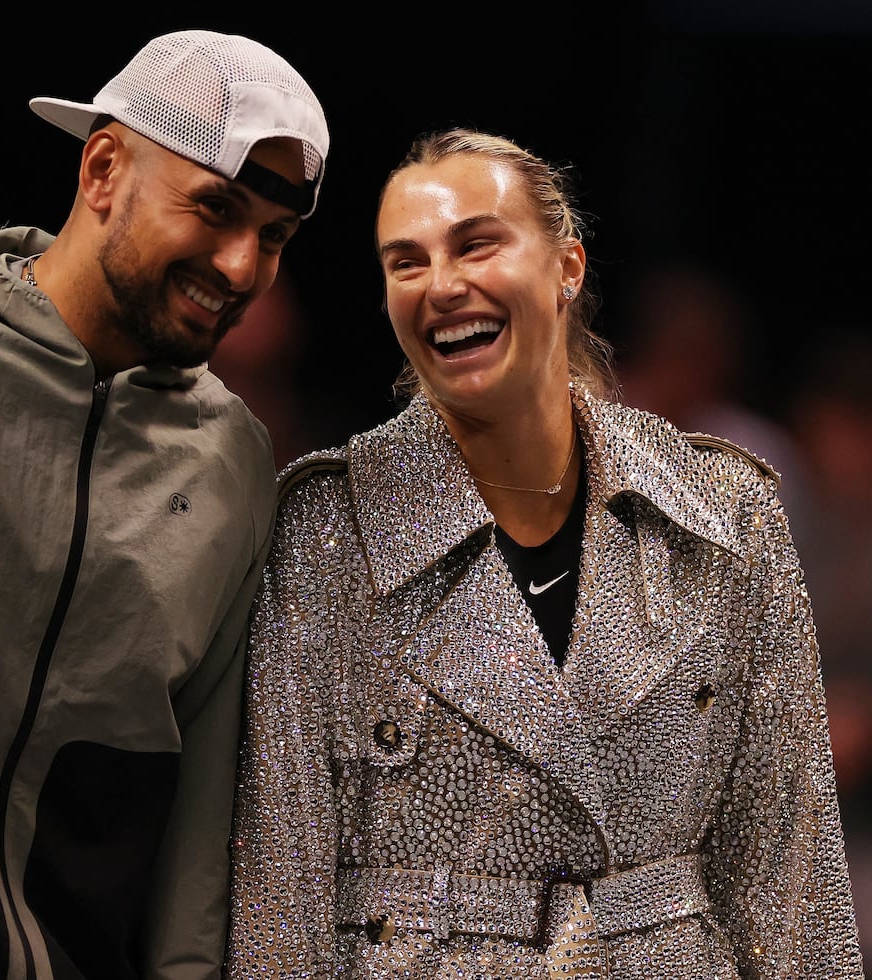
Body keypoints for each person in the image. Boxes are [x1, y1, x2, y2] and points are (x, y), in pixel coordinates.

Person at [223, 128, 864, 977]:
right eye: (405, 262)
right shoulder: (327, 527)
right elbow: (280, 886)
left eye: (476, 244)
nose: (442, 285)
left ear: (568, 268)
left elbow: (791, 870)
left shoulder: (726, 513)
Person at [0, 29, 328, 980]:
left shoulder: (232, 461)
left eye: (275, 237)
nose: (243, 266)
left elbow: (202, 818)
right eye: (215, 207)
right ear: (102, 170)